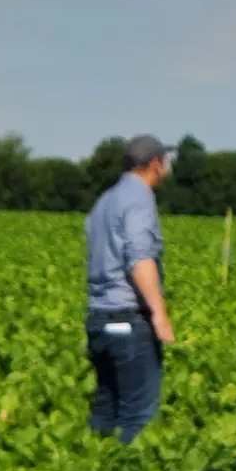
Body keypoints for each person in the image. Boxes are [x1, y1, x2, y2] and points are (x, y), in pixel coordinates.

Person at [83, 134, 174, 443]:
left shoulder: (105, 200)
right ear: (156, 164)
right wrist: (159, 313)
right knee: (139, 415)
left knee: (106, 408)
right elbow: (140, 258)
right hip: (127, 320)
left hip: (98, 317)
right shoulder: (139, 198)